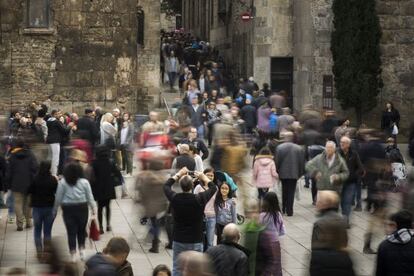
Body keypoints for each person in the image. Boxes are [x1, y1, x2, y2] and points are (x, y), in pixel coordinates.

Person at [163, 167, 217, 276]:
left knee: (177, 268)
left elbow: (166, 186)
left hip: (179, 239)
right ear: (192, 185)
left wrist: (178, 174)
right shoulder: (199, 198)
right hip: (196, 239)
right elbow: (213, 188)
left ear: (181, 186)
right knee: (196, 269)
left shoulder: (175, 198)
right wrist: (203, 177)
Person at [53, 163, 97, 261]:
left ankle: (73, 253)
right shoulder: (85, 182)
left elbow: (58, 197)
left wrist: (55, 208)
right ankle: (82, 250)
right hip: (82, 208)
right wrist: (94, 209)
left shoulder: (63, 182)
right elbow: (90, 197)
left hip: (68, 209)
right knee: (81, 230)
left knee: (71, 231)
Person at [310, 191, 355, 276]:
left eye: (318, 201)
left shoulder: (319, 223)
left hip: (322, 262)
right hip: (342, 259)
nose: (316, 203)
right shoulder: (343, 219)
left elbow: (315, 246)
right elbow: (345, 241)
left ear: (325, 204)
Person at [5, 139, 38, 231]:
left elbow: (9, 172)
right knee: (28, 203)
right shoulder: (30, 155)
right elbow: (35, 168)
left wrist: (8, 183)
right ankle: (28, 222)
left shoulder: (12, 156)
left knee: (17, 203)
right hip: (29, 183)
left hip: (16, 183)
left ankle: (19, 224)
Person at [29, 161, 57, 255]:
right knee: (47, 231)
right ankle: (47, 251)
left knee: (37, 230)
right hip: (49, 207)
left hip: (37, 208)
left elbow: (30, 190)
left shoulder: (35, 179)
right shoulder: (53, 179)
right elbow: (55, 190)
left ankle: (39, 250)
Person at [91, 146, 121, 234]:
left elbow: (92, 176)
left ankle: (100, 227)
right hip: (109, 187)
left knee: (99, 208)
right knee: (108, 207)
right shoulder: (110, 162)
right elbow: (117, 173)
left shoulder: (94, 163)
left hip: (98, 188)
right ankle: (108, 224)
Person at [376, 210, 414, 276]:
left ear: (395, 225)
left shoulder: (384, 246)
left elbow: (380, 272)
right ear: (412, 225)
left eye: (390, 225)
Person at [275, 132, 305, 216]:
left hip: (283, 173)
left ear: (285, 138)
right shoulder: (298, 148)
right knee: (291, 191)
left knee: (284, 190)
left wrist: (277, 171)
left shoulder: (279, 148)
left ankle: (283, 207)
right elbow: (301, 162)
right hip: (294, 173)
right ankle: (290, 210)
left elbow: (277, 161)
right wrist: (300, 173)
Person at [338, 136, 364, 227]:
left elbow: (360, 167)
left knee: (347, 201)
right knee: (341, 201)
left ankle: (346, 221)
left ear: (348, 145)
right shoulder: (337, 153)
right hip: (339, 182)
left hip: (351, 182)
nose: (341, 144)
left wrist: (353, 174)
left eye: (344, 143)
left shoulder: (354, 154)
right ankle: (344, 217)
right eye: (341, 142)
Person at [258, 192, 285, 276]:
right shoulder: (278, 214)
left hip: (264, 243)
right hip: (275, 243)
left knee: (266, 264)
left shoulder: (262, 215)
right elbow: (282, 230)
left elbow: (258, 229)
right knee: (277, 265)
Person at [193, 168, 217, 250]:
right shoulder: (198, 187)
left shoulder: (215, 188)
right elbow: (194, 201)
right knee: (201, 240)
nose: (210, 177)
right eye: (208, 175)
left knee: (210, 241)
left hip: (212, 217)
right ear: (204, 176)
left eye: (212, 175)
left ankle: (210, 258)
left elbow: (219, 201)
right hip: (201, 217)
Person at [46, 109, 74, 176]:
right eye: (58, 114)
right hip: (55, 141)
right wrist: (70, 126)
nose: (60, 115)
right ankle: (54, 174)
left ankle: (49, 172)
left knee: (50, 157)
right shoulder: (56, 122)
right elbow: (65, 131)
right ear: (54, 114)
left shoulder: (48, 121)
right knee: (56, 158)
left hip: (49, 140)